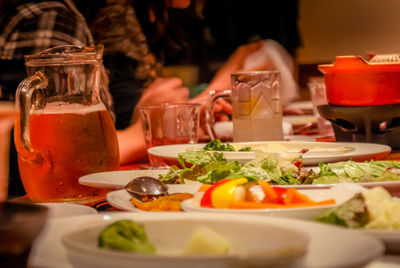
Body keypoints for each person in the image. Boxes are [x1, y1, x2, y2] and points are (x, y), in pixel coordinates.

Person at [0, 0, 190, 197]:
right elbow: (60, 158)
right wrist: (143, 133)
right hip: (53, 201)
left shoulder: (108, 19)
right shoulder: (51, 16)